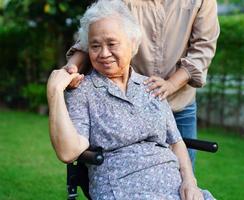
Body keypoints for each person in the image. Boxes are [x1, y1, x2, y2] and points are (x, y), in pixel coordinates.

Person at [47, 1, 215, 199]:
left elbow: (176, 141)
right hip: (124, 189)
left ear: (133, 43)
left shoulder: (150, 87)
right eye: (95, 46)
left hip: (174, 187)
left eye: (112, 44)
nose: (104, 53)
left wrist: (190, 182)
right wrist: (56, 90)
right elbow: (68, 153)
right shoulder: (83, 91)